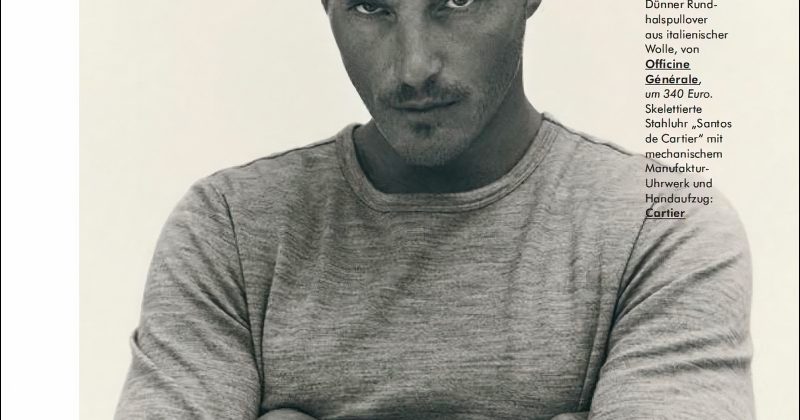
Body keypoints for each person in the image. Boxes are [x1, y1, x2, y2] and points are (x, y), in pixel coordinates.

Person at [115, 1, 754, 419]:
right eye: (371, 7)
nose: (414, 66)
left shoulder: (662, 226)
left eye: (456, 0)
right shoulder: (229, 228)